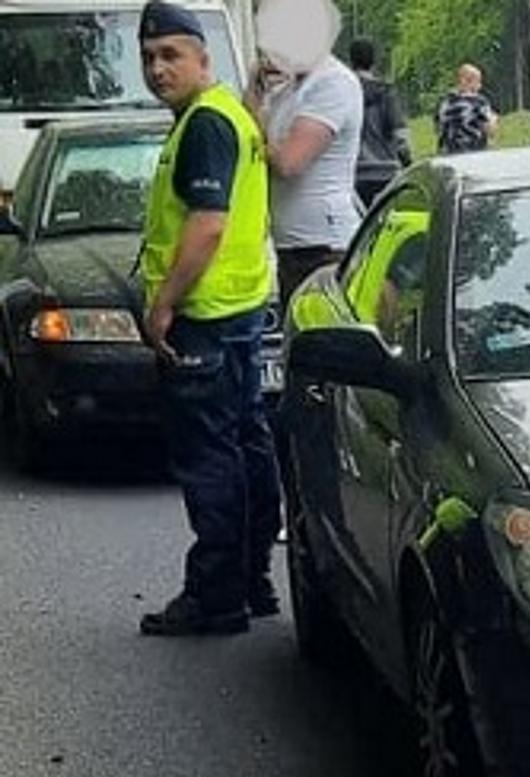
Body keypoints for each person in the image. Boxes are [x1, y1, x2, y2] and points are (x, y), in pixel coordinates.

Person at [135, 1, 280, 636]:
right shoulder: (228, 115)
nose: (157, 68)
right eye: (148, 57)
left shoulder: (206, 125)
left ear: (203, 58)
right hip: (240, 313)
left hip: (205, 321)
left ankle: (217, 595)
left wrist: (163, 302)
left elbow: (209, 222)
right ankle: (252, 582)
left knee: (211, 458)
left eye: (170, 55)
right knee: (247, 444)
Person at [249, 38, 364, 302]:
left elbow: (289, 163)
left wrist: (257, 143)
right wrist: (255, 87)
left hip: (324, 247)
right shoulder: (288, 89)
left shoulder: (332, 83)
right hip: (292, 247)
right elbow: (253, 126)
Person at [348, 37, 411, 206]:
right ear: (373, 61)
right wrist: (408, 164)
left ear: (351, 60)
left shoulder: (345, 91)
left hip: (353, 172)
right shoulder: (386, 92)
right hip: (386, 170)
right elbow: (400, 135)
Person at [436, 64, 498, 155]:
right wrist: (494, 119)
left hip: (448, 156)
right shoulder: (478, 102)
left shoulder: (445, 103)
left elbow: (438, 129)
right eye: (478, 82)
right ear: (468, 81)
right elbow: (489, 129)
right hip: (472, 154)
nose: (480, 86)